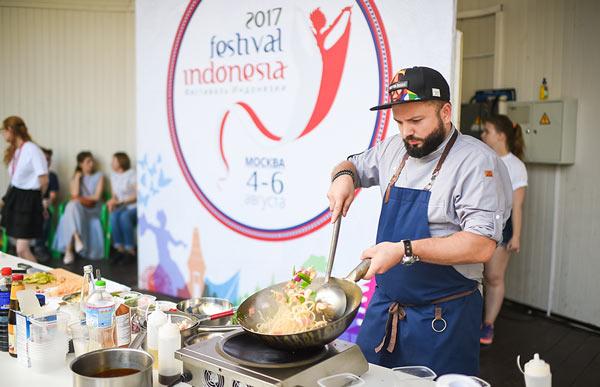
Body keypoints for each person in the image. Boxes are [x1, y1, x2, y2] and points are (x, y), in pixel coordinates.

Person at [327, 67, 512, 376]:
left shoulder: (476, 162)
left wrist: (404, 250)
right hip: (385, 311)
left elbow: (481, 245)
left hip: (442, 319)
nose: (405, 132)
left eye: (416, 121)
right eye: (399, 122)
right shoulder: (393, 149)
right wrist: (343, 178)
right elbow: (351, 165)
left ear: (446, 111)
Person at [479, 115, 527, 345]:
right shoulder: (481, 158)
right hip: (478, 223)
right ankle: (470, 321)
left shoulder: (515, 166)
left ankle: (488, 325)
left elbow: (517, 205)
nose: (483, 135)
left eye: (487, 131)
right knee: (473, 277)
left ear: (501, 135)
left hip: (503, 226)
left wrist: (516, 236)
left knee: (493, 277)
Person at [0, 116, 48, 262]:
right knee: (20, 251)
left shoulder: (32, 149)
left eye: (3, 131)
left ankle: (43, 279)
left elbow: (44, 180)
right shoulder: (16, 151)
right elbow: (15, 180)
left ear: (10, 130)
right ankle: (34, 279)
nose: (3, 135)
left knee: (22, 249)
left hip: (29, 199)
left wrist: (37, 202)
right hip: (16, 195)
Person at [53, 151, 105, 263]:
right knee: (73, 205)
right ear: (80, 164)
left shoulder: (99, 176)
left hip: (92, 209)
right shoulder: (76, 177)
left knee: (72, 205)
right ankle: (76, 240)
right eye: (88, 161)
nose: (91, 164)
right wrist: (77, 178)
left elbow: (96, 197)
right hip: (78, 209)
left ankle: (69, 251)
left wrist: (78, 199)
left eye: (92, 161)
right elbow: (75, 194)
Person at [107, 152, 137, 264]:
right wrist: (112, 202)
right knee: (114, 216)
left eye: (114, 160)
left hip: (133, 205)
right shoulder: (113, 175)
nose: (111, 163)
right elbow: (114, 195)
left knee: (124, 217)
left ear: (121, 162)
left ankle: (130, 250)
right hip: (121, 205)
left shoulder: (132, 174)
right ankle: (120, 250)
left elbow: (137, 195)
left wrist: (122, 201)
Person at [33, 147, 59, 261]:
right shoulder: (31, 175)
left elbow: (52, 197)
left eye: (49, 159)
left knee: (45, 215)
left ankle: (39, 247)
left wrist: (44, 204)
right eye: (44, 159)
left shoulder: (52, 176)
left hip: (43, 206)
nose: (47, 161)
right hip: (28, 205)